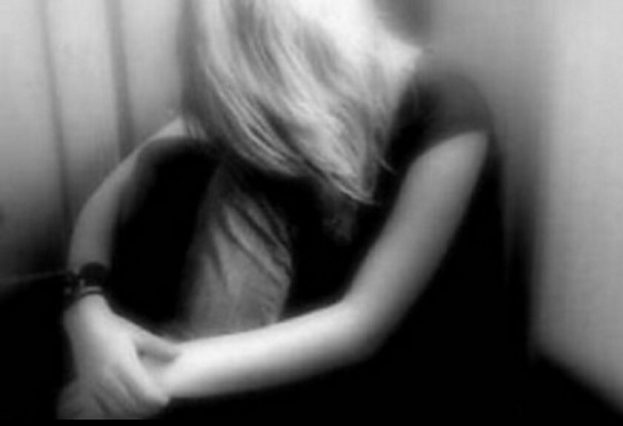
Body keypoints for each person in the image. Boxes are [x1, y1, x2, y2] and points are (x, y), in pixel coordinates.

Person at [57, 0, 511, 420]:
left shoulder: (447, 106)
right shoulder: (276, 106)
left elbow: (361, 326)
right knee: (182, 165)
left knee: (245, 173)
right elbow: (109, 193)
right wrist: (87, 311)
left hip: (387, 364)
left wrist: (149, 377)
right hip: (252, 337)